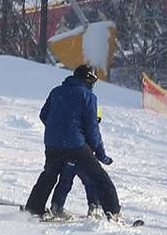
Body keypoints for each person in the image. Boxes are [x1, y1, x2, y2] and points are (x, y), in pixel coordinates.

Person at [24, 64, 121, 219]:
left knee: (49, 175)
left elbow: (44, 115)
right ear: (89, 79)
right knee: (99, 177)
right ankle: (113, 212)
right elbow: (92, 127)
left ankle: (33, 209)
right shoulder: (88, 96)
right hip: (75, 144)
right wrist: (100, 153)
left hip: (52, 143)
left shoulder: (56, 91)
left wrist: (57, 129)